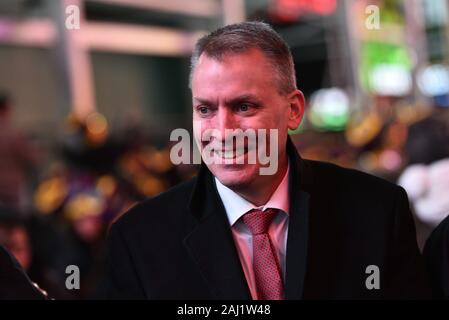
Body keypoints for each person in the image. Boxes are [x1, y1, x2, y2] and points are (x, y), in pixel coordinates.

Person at [103, 22, 429, 299]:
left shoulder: (377, 211)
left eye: (244, 107)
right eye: (205, 110)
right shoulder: (138, 239)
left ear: (293, 110)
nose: (222, 130)